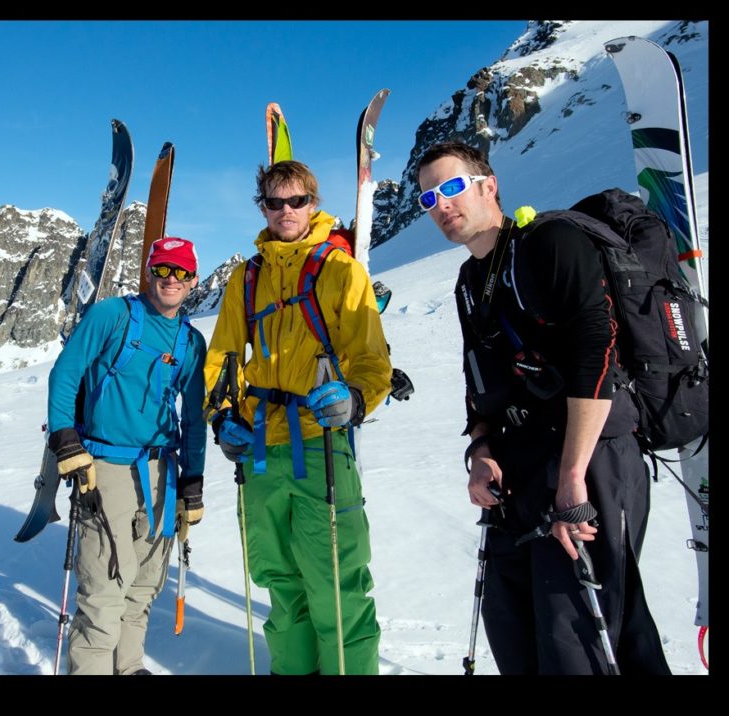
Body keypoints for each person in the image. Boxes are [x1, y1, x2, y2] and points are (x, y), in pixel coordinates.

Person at [416, 141, 671, 674]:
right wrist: (482, 446)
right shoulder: (469, 282)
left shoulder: (550, 243)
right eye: (428, 198)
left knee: (581, 638)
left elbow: (595, 351)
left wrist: (574, 476)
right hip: (519, 472)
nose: (441, 204)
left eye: (453, 187)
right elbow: (478, 377)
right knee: (517, 634)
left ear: (490, 185)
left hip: (590, 457)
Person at [204, 160, 391, 675]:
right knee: (280, 585)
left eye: (296, 201)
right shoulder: (247, 277)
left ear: (313, 203)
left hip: (320, 443)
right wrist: (221, 417)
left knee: (337, 586)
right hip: (260, 453)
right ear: (262, 207)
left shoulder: (340, 269)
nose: (285, 211)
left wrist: (355, 400)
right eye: (274, 202)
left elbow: (373, 360)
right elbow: (220, 358)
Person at [47, 237, 207, 675]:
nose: (170, 279)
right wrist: (65, 439)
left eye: (180, 272)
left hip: (163, 473)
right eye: (162, 269)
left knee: (143, 586)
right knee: (104, 589)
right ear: (149, 271)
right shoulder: (111, 316)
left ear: (193, 280)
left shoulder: (191, 343)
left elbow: (194, 418)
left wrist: (192, 482)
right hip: (105, 466)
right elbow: (65, 374)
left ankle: (130, 665)